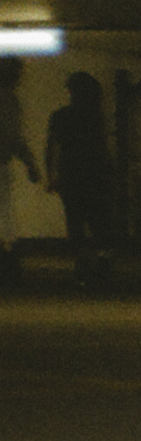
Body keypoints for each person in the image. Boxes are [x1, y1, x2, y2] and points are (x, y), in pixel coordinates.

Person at [45, 70, 115, 286]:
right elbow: (103, 147)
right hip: (95, 173)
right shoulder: (96, 116)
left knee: (75, 219)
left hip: (70, 173)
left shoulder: (60, 116)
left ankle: (82, 265)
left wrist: (51, 174)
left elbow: (52, 148)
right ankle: (103, 261)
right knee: (98, 219)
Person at [0, 59, 37, 285]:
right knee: (4, 214)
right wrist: (30, 163)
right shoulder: (8, 101)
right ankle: (7, 260)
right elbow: (13, 136)